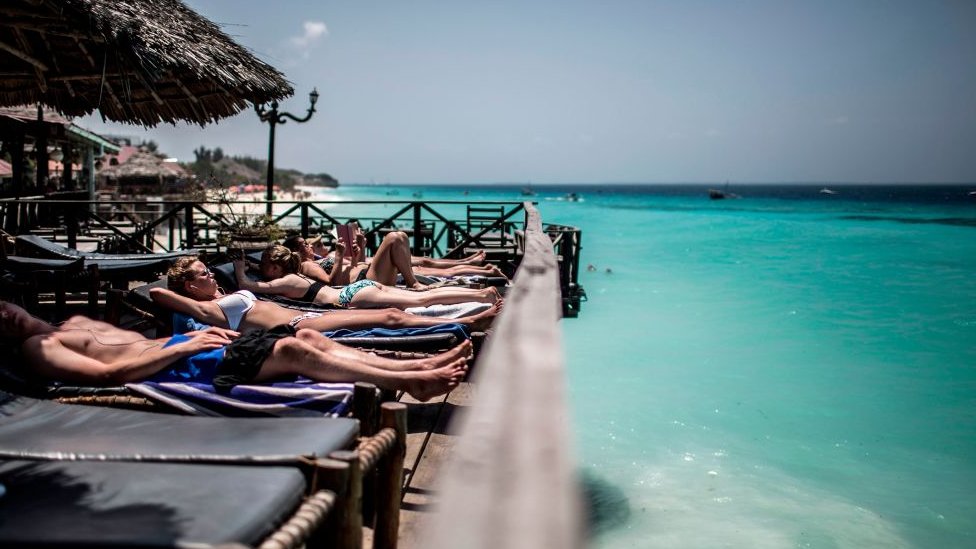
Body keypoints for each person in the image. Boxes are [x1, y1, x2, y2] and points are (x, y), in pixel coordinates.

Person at [0, 300, 468, 402]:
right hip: (183, 366)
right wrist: (192, 342)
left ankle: (420, 363)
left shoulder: (73, 320)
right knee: (291, 348)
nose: (6, 316)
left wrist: (192, 338)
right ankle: (410, 382)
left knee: (306, 338)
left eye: (1, 306)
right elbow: (109, 375)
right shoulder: (41, 346)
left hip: (190, 348)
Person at [152, 258, 501, 333]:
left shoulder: (219, 300)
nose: (211, 273)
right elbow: (156, 292)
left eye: (210, 269)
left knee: (401, 312)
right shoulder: (204, 311)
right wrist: (193, 301)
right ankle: (470, 318)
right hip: (300, 325)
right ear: (187, 286)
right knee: (394, 316)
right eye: (203, 273)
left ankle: (470, 311)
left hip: (311, 316)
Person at [240, 246, 502, 310]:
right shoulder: (297, 275)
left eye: (264, 265)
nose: (261, 270)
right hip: (359, 287)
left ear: (275, 268)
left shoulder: (285, 281)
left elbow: (247, 285)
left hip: (349, 296)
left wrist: (239, 268)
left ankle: (480, 295)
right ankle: (481, 294)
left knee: (421, 301)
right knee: (421, 297)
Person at [293, 230, 505, 286]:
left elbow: (347, 270)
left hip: (364, 274)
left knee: (400, 238)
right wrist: (339, 256)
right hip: (363, 282)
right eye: (304, 245)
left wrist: (359, 251)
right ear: (296, 252)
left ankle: (413, 281)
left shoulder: (317, 261)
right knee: (395, 239)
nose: (310, 246)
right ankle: (413, 283)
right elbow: (332, 282)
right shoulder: (307, 266)